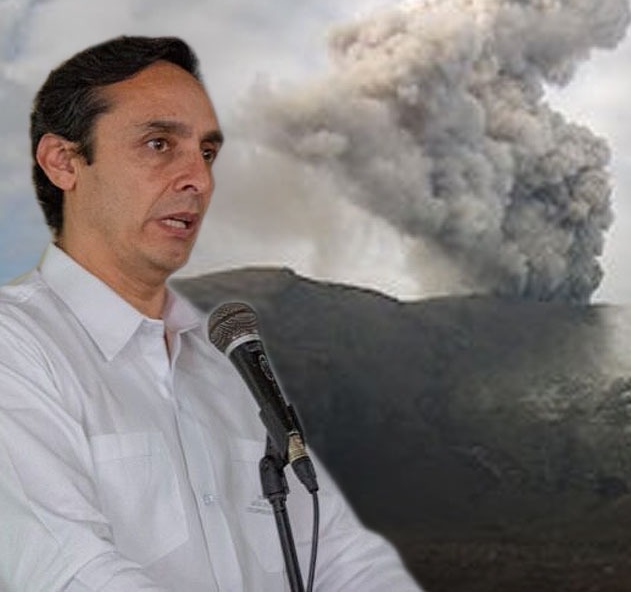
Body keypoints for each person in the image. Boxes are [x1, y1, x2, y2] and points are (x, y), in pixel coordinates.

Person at [0, 36, 425, 591]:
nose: (198, 180)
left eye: (206, 152)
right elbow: (68, 572)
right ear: (64, 162)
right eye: (158, 144)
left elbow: (344, 558)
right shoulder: (17, 348)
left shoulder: (230, 367)